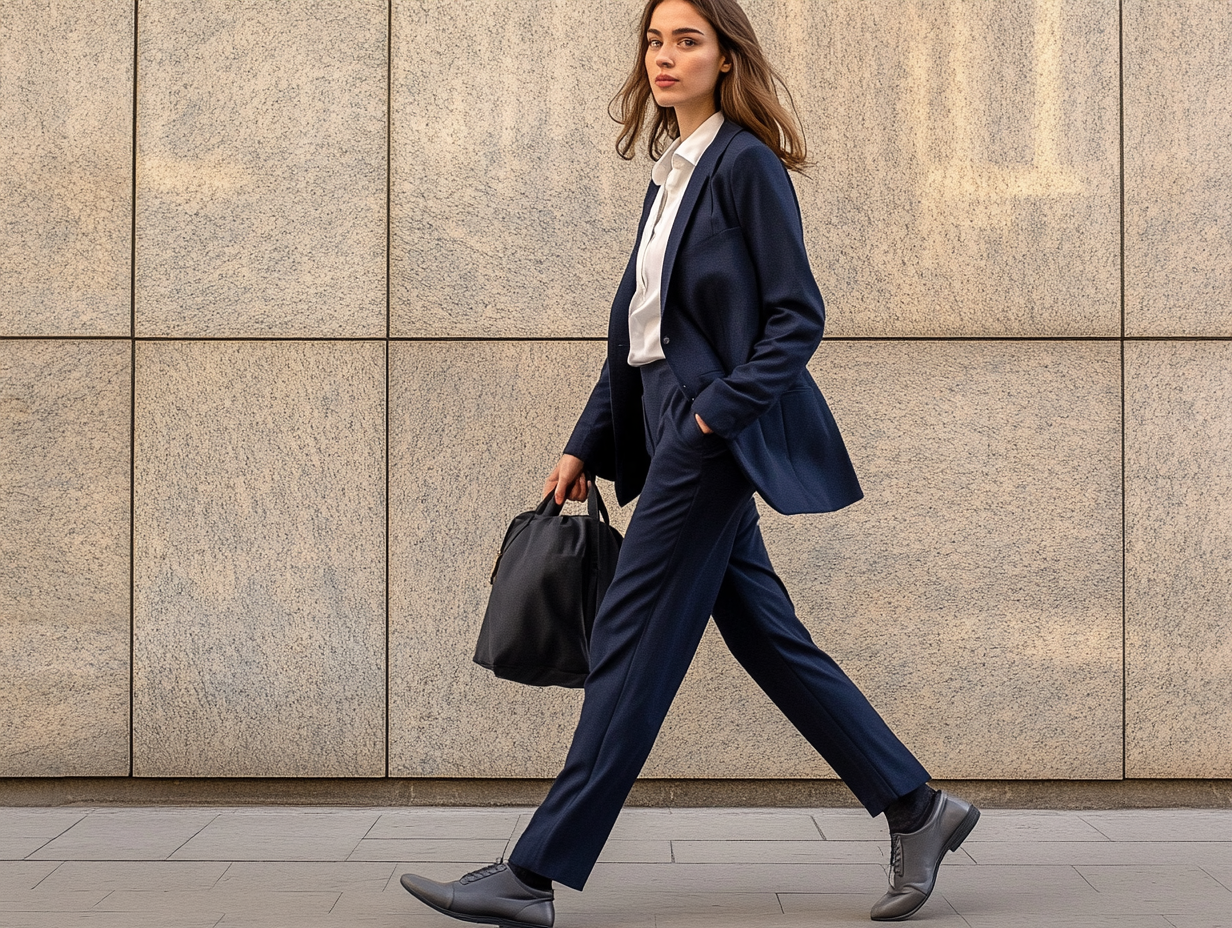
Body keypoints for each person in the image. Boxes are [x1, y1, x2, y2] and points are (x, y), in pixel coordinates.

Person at [400, 1, 979, 924]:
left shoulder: (745, 166)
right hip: (668, 418)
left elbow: (798, 319)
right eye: (655, 41)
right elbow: (639, 329)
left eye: (687, 41)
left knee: (630, 641)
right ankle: (917, 807)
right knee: (767, 637)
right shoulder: (668, 176)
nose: (665, 57)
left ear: (724, 56)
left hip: (707, 436)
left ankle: (532, 872)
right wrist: (585, 438)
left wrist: (713, 420)